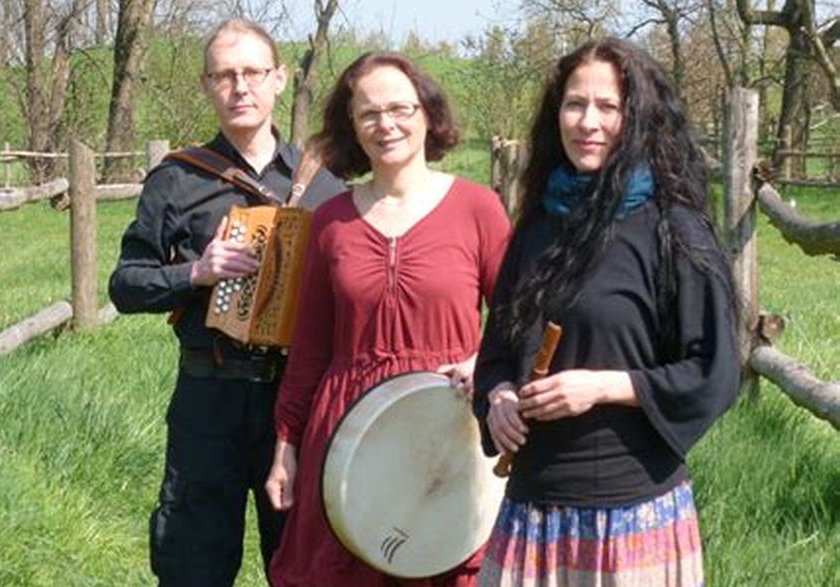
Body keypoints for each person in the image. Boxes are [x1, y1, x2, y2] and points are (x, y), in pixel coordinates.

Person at [472, 37, 741, 587]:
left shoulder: (675, 229)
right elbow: (498, 351)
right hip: (533, 507)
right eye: (575, 104)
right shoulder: (538, 226)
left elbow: (713, 371)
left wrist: (603, 387)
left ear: (636, 118)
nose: (587, 122)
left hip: (629, 511)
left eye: (608, 107)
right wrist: (496, 396)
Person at [108, 18, 343, 587]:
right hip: (207, 398)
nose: (240, 87)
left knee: (301, 565)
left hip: (296, 404)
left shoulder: (325, 186)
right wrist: (196, 272)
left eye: (253, 73)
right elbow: (125, 284)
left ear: (279, 79)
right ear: (207, 85)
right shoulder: (177, 179)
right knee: (192, 562)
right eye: (225, 75)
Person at [263, 52, 512, 586]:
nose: (386, 124)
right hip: (347, 438)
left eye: (400, 107)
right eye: (368, 113)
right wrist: (286, 446)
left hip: (449, 435)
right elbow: (310, 349)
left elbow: (520, 317)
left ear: (426, 112)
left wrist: (482, 361)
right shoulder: (330, 222)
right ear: (351, 127)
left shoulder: (477, 208)